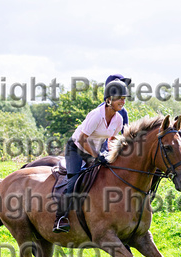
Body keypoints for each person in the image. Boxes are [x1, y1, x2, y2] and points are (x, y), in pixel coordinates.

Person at [52, 80, 129, 233]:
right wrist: (97, 155)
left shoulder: (119, 119)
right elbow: (82, 139)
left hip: (95, 150)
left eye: (124, 98)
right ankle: (60, 218)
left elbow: (111, 139)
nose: (123, 101)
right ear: (109, 100)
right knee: (74, 181)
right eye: (120, 97)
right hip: (76, 148)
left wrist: (109, 155)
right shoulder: (96, 115)